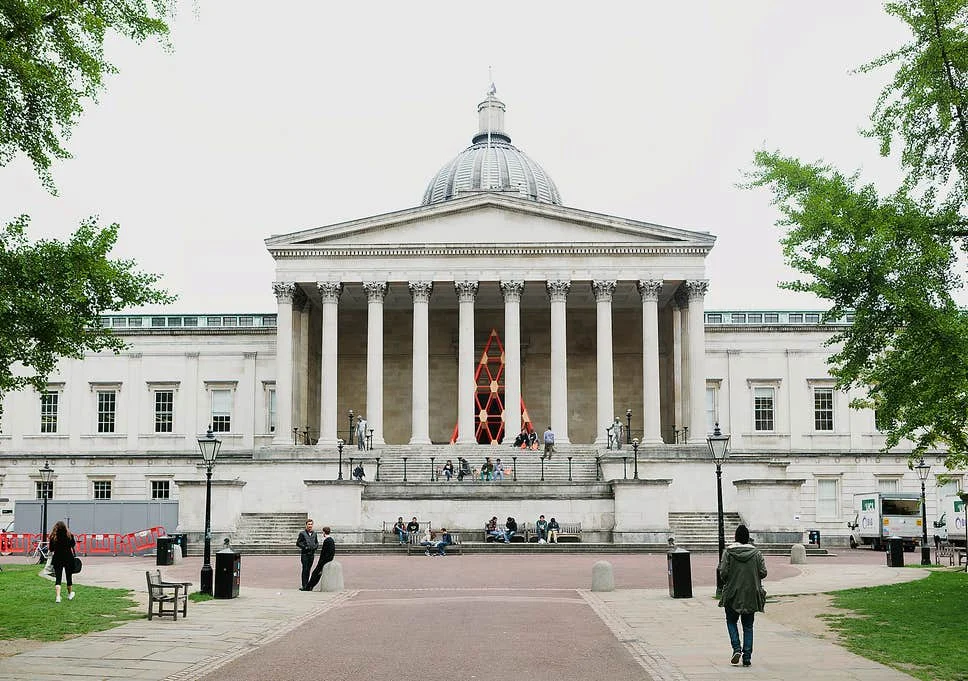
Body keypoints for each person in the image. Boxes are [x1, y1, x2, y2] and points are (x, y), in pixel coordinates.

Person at [718, 524, 767, 667]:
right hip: (751, 593)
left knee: (731, 621)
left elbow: (723, 573)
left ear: (735, 537)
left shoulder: (728, 552)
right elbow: (763, 572)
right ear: (748, 538)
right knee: (748, 626)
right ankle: (747, 657)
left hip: (732, 593)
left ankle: (736, 648)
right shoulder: (757, 553)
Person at [48, 520, 76, 602]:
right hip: (68, 558)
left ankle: (58, 596)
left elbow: (51, 549)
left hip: (57, 558)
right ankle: (70, 594)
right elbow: (73, 545)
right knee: (69, 577)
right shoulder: (69, 535)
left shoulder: (53, 537)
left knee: (58, 578)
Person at [305, 526, 336, 591]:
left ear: (324, 532)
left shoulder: (327, 541)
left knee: (315, 574)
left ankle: (309, 587)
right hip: (327, 560)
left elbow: (324, 553)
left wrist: (321, 563)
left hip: (323, 561)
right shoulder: (331, 540)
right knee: (316, 574)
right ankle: (310, 586)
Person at [296, 519, 319, 590]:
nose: (310, 526)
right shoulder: (302, 533)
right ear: (306, 525)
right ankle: (304, 585)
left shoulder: (314, 533)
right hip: (305, 554)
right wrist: (305, 547)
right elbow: (298, 543)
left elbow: (316, 542)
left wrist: (315, 547)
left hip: (311, 554)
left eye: (311, 524)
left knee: (308, 569)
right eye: (308, 524)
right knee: (305, 569)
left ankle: (307, 585)